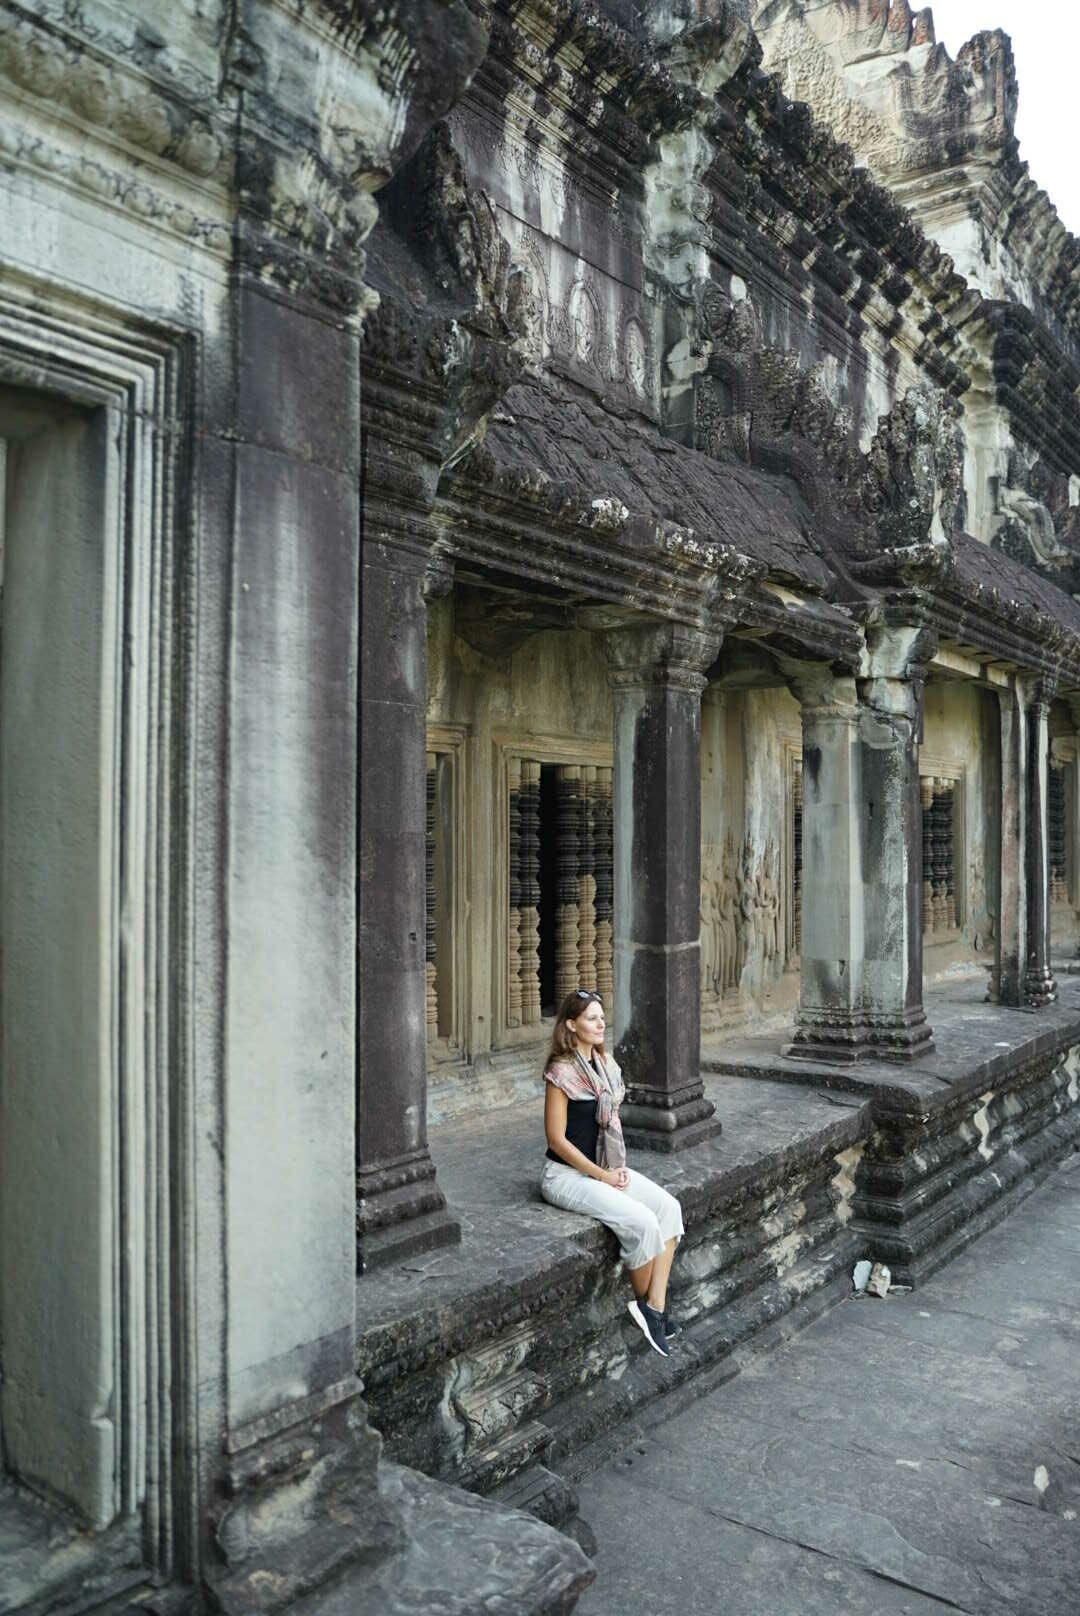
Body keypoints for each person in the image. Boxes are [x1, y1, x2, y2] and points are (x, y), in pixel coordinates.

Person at [539, 988, 684, 1357]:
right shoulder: (561, 1071)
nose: (601, 1022)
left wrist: (615, 1171)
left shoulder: (607, 1068)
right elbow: (556, 1140)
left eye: (602, 1016)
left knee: (670, 1210)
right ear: (571, 1025)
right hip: (566, 1177)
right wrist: (604, 1177)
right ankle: (647, 1307)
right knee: (643, 1224)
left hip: (605, 1169)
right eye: (591, 1017)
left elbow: (611, 1130)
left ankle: (654, 1307)